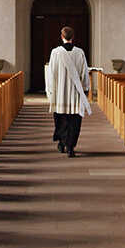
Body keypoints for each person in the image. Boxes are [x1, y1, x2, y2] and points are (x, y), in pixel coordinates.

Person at [45, 25, 91, 157]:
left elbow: (51, 73)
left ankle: (61, 143)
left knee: (61, 120)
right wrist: (86, 88)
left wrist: (50, 91)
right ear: (73, 37)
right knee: (74, 121)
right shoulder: (79, 52)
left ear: (62, 37)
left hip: (60, 94)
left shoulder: (55, 52)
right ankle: (70, 147)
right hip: (75, 94)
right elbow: (84, 73)